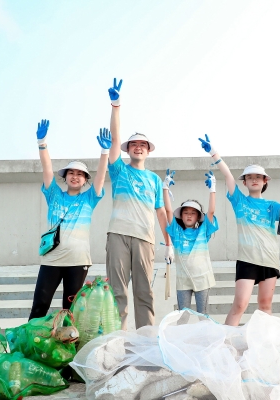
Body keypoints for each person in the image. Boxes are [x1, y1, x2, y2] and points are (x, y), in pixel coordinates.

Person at [198, 134, 280, 326]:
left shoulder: (272, 206)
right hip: (247, 259)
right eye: (250, 177)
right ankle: (224, 344)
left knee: (265, 305)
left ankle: (264, 344)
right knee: (240, 304)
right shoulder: (240, 201)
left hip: (269, 259)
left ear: (265, 181)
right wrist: (213, 153)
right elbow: (228, 176)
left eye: (258, 177)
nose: (254, 180)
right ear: (245, 182)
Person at [105, 78, 172, 330]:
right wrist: (116, 106)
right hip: (119, 235)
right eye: (134, 144)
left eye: (142, 145)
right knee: (117, 293)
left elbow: (162, 213)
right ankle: (118, 343)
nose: (138, 148)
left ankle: (146, 344)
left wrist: (169, 242)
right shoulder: (119, 170)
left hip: (145, 239)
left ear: (148, 150)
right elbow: (114, 140)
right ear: (128, 149)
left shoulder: (154, 180)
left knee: (144, 294)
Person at [29, 120, 109, 320]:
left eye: (80, 175)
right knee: (40, 305)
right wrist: (42, 143)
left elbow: (100, 177)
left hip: (78, 261)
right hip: (52, 260)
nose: (75, 177)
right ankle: (30, 346)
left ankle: (69, 349)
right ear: (65, 177)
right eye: (71, 173)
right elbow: (47, 170)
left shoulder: (89, 199)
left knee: (71, 311)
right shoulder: (54, 195)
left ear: (85, 180)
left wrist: (104, 152)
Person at [161, 169, 219, 314]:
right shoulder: (176, 231)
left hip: (202, 279)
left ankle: (204, 337)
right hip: (183, 281)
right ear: (181, 215)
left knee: (203, 315)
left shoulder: (203, 231)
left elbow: (211, 212)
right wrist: (165, 188)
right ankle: (182, 337)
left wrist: (213, 189)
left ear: (198, 216)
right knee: (183, 316)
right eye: (186, 212)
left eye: (193, 213)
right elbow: (168, 211)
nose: (189, 215)